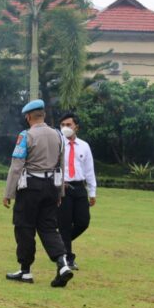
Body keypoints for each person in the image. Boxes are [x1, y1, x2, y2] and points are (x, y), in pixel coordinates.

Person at [3, 99, 73, 287]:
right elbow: (61, 165)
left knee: (24, 226)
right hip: (51, 186)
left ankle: (25, 271)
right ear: (43, 116)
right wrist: (60, 193)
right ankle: (62, 263)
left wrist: (8, 192)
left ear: (28, 117)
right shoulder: (58, 135)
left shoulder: (26, 136)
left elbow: (16, 166)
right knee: (49, 227)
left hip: (30, 187)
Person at [57, 112, 96, 270]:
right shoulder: (58, 144)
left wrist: (92, 192)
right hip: (63, 187)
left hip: (79, 188)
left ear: (76, 127)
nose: (65, 128)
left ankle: (59, 245)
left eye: (68, 125)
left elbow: (89, 170)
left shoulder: (84, 146)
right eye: (63, 125)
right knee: (64, 225)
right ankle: (68, 258)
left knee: (83, 222)